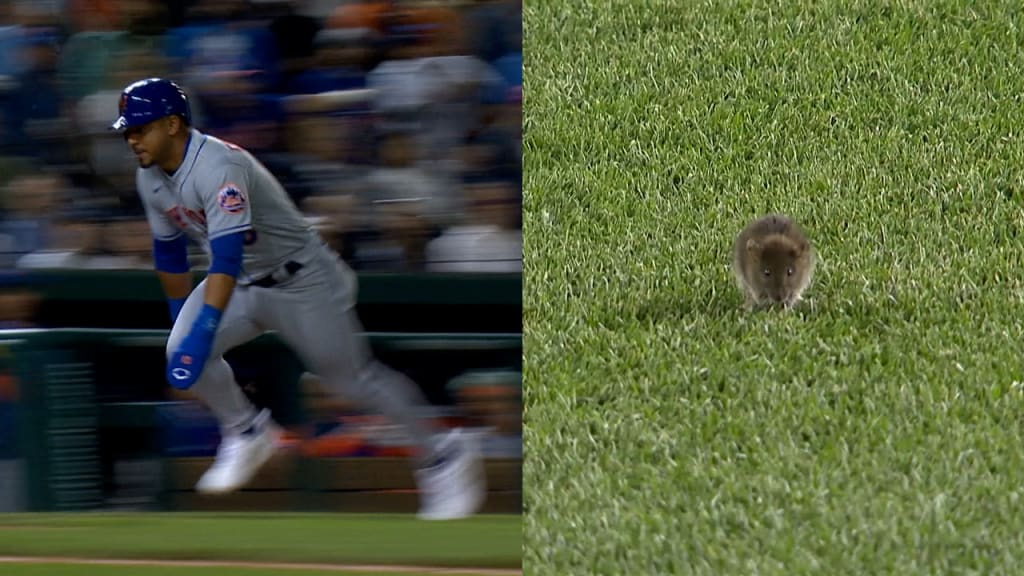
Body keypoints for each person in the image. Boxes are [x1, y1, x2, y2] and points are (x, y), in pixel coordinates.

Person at [109, 77, 484, 520]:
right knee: (180, 349)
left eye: (140, 128)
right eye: (128, 131)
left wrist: (204, 327)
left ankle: (443, 453)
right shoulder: (149, 177)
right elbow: (169, 253)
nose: (132, 139)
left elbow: (226, 256)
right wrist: (182, 325)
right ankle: (247, 431)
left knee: (352, 381)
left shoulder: (217, 166)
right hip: (243, 285)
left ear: (172, 124)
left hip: (302, 281)